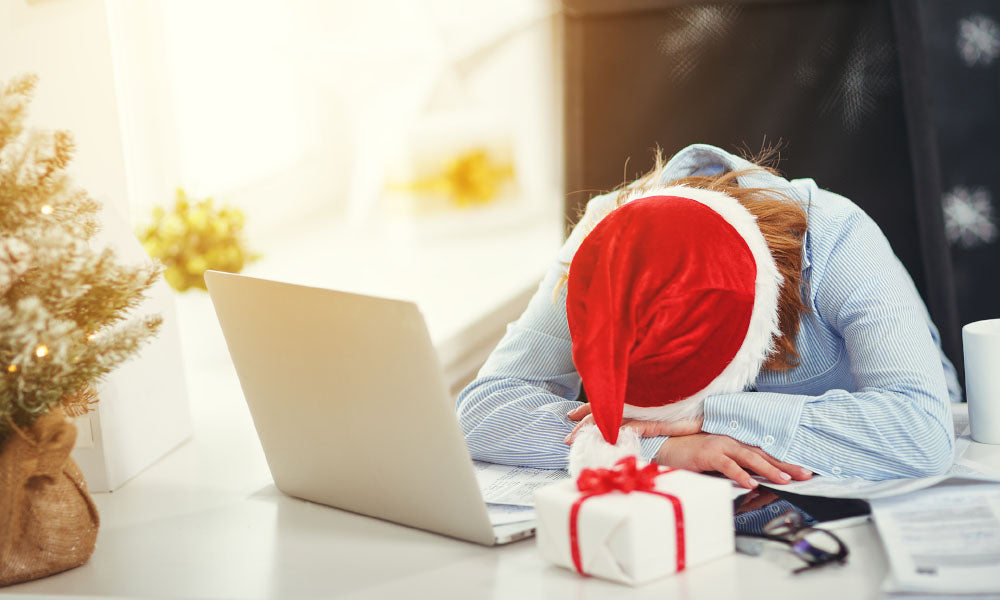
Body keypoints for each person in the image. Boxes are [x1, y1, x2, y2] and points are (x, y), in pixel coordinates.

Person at [456, 143, 961, 489]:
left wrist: (705, 416)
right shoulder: (605, 243)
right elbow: (482, 410)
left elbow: (920, 431)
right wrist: (660, 445)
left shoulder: (838, 237)